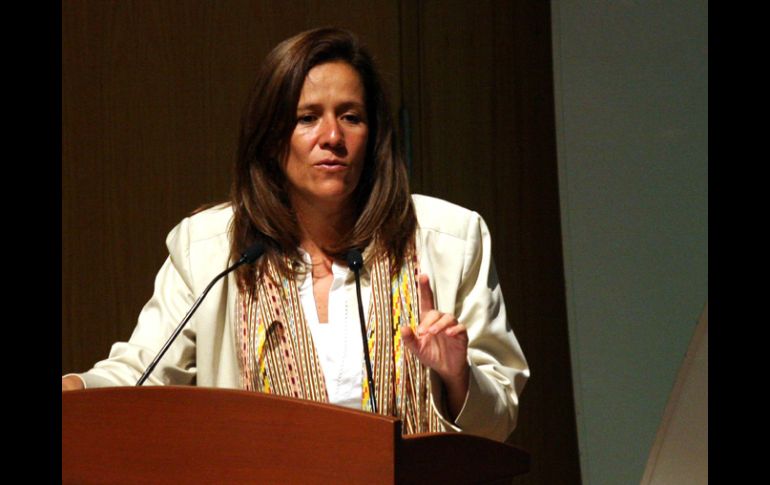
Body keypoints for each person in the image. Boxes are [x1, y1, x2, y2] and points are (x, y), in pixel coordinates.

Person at [62, 27, 529, 442]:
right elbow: (140, 371)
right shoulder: (208, 249)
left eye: (351, 116)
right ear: (270, 137)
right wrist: (75, 388)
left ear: (374, 136)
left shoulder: (451, 238)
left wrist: (457, 376)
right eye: (307, 118)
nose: (332, 136)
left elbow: (500, 417)